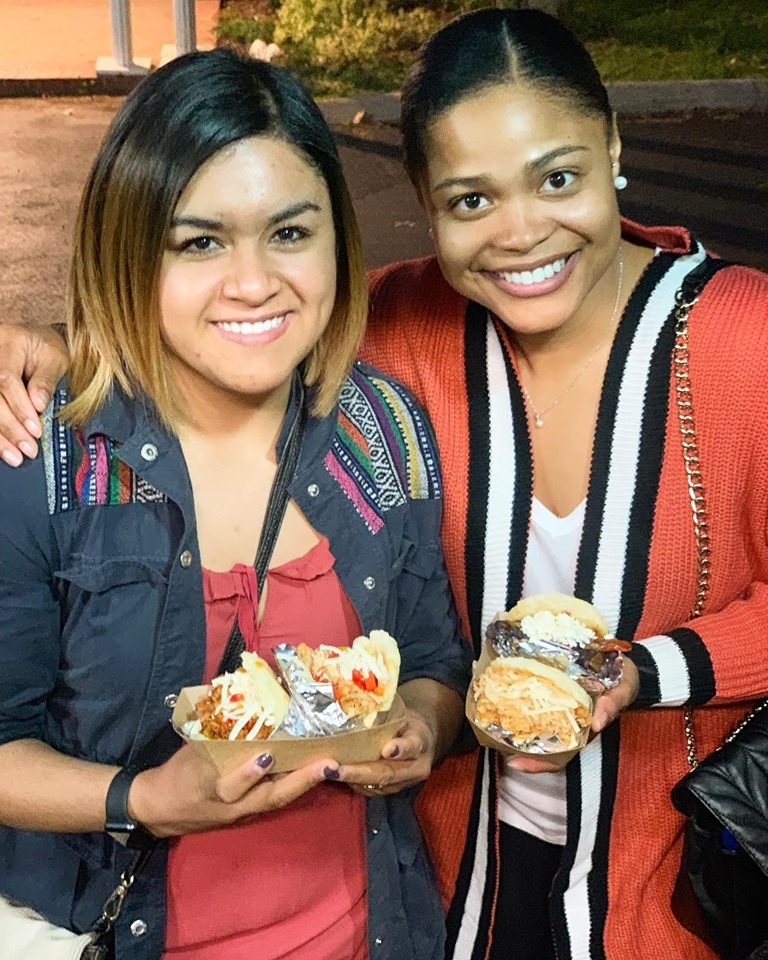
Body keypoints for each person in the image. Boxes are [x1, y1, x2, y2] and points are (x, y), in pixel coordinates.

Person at [1, 8, 767, 960]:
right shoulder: (407, 328)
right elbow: (226, 326)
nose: (522, 234)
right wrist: (50, 352)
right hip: (455, 880)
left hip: (661, 872)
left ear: (614, 146)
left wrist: (646, 672)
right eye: (470, 200)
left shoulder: (744, 339)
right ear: (425, 201)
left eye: (558, 177)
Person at [0, 49, 470, 960]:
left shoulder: (385, 433)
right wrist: (140, 801)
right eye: (200, 241)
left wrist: (419, 724)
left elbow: (437, 660)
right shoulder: (44, 460)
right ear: (129, 249)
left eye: (290, 234)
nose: (254, 283)